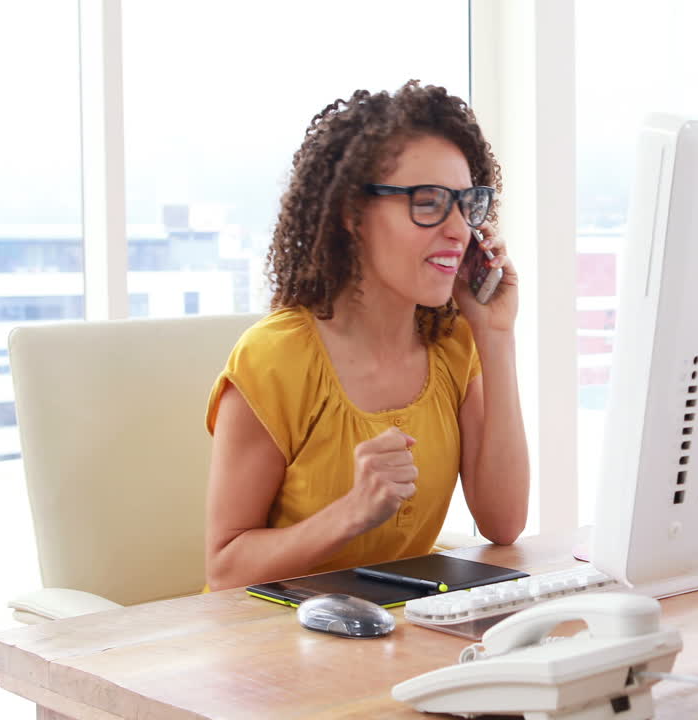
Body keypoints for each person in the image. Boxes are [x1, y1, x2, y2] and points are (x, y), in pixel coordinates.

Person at [203, 81, 529, 591]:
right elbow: (224, 570)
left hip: (392, 638)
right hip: (268, 646)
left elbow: (503, 522)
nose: (459, 230)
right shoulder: (274, 359)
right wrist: (353, 511)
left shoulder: (453, 346)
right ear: (352, 214)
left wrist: (496, 334)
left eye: (467, 204)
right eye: (428, 203)